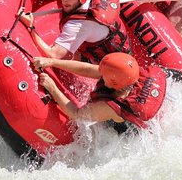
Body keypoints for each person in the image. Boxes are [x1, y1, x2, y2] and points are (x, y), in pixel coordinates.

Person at [19, 0, 130, 62]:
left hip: (111, 60)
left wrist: (31, 27)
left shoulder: (78, 26)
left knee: (73, 58)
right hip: (113, 40)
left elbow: (54, 55)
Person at [33, 52, 166, 129]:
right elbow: (87, 69)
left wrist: (52, 87)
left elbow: (76, 113)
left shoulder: (112, 107)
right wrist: (52, 62)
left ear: (114, 83)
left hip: (126, 134)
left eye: (104, 74)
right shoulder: (127, 76)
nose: (100, 72)